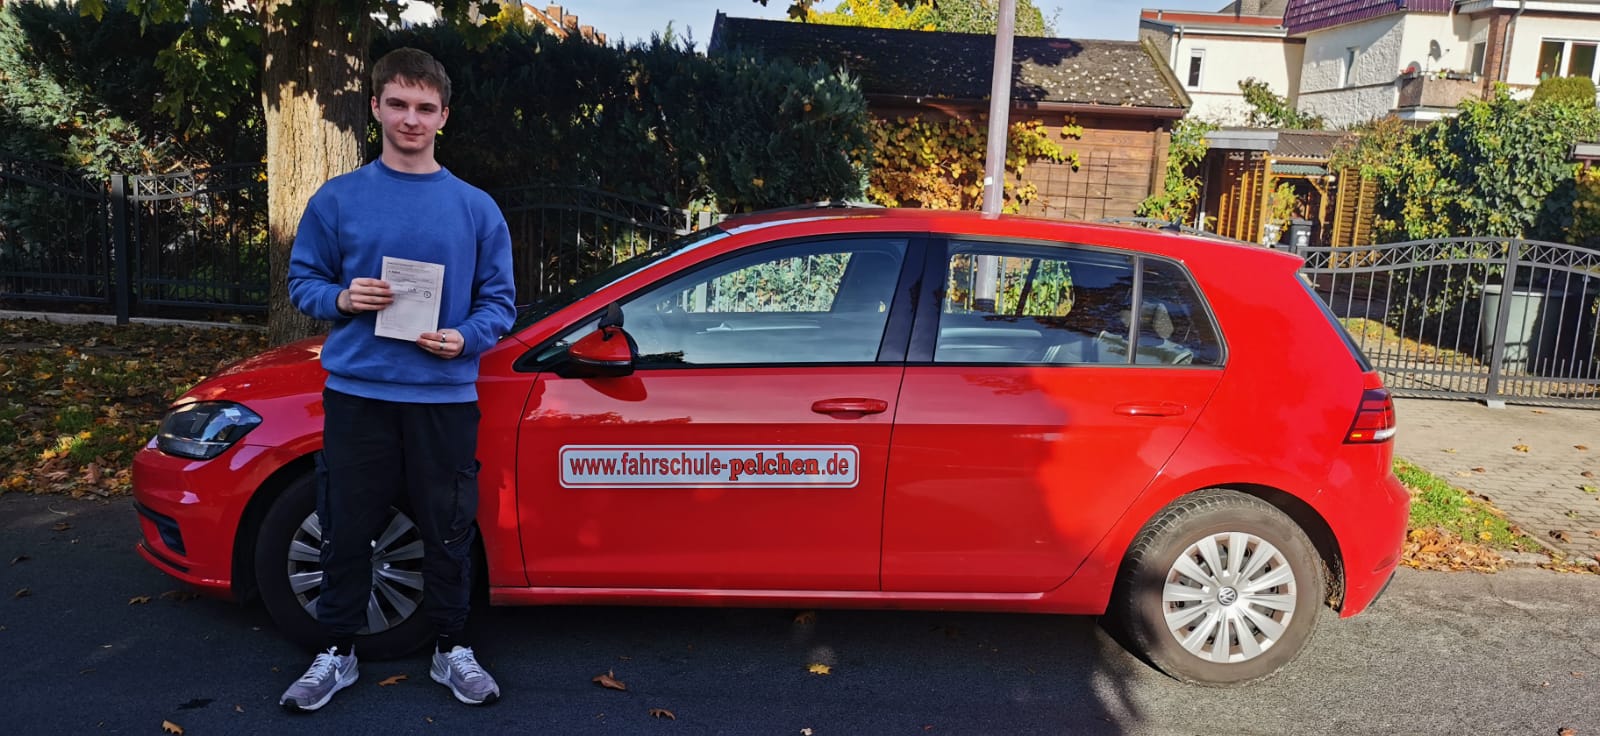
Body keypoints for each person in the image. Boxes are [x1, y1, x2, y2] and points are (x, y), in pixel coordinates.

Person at [279, 46, 516, 712]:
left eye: (425, 107)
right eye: (399, 104)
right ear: (376, 107)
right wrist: (343, 299)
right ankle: (337, 650)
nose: (411, 119)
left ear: (444, 116)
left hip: (444, 396)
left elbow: (500, 303)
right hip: (360, 393)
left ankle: (450, 648)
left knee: (448, 528)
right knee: (344, 525)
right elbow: (303, 282)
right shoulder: (338, 199)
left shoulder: (476, 208)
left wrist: (466, 337)